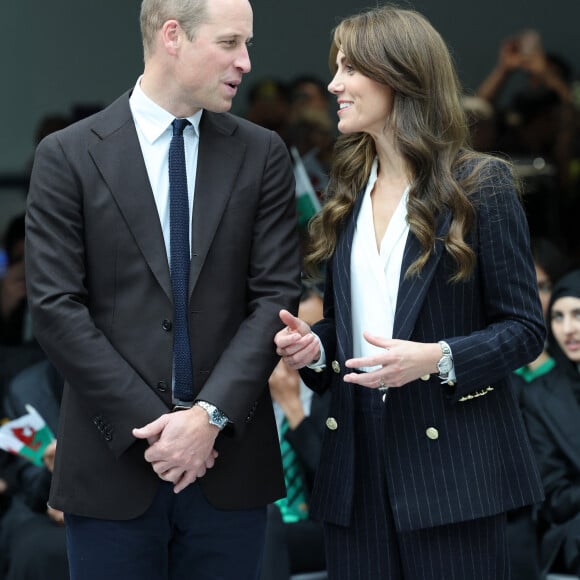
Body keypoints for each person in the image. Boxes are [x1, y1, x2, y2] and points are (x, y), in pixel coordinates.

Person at [24, 1, 301, 579]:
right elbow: (55, 309)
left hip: (230, 463)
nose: (246, 62)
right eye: (230, 43)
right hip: (111, 464)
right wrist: (163, 430)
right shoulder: (68, 155)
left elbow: (274, 299)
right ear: (172, 36)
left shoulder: (263, 153)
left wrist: (208, 419)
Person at [274, 5, 546, 579]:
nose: (334, 85)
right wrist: (317, 349)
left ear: (397, 76)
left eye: (349, 69)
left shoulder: (480, 184)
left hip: (453, 468)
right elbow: (351, 325)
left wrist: (438, 358)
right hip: (355, 461)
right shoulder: (346, 189)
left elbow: (525, 329)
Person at [521, 269, 580, 576]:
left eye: (577, 314)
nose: (568, 329)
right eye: (557, 317)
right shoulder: (541, 397)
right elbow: (554, 497)